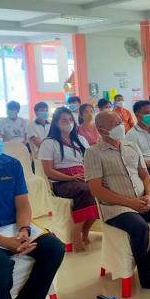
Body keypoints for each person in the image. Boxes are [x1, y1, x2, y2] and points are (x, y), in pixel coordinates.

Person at [0, 114, 64, 299]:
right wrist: (3, 241)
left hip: (12, 225)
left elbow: (22, 204)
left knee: (54, 249)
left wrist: (23, 229)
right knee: (0, 265)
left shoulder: (10, 165)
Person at [85, 112, 150, 289]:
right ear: (101, 130)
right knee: (139, 227)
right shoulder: (93, 153)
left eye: (120, 122)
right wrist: (130, 203)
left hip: (144, 198)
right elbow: (96, 190)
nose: (120, 126)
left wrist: (148, 195)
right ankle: (145, 274)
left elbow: (144, 175)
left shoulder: (131, 146)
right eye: (114, 124)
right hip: (117, 207)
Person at [38, 107, 98, 251]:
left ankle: (85, 231)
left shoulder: (81, 140)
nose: (68, 123)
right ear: (56, 123)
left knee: (102, 189)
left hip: (83, 176)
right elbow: (49, 171)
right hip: (61, 181)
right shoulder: (49, 143)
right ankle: (75, 235)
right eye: (64, 120)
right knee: (86, 191)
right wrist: (70, 177)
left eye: (71, 120)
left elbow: (90, 161)